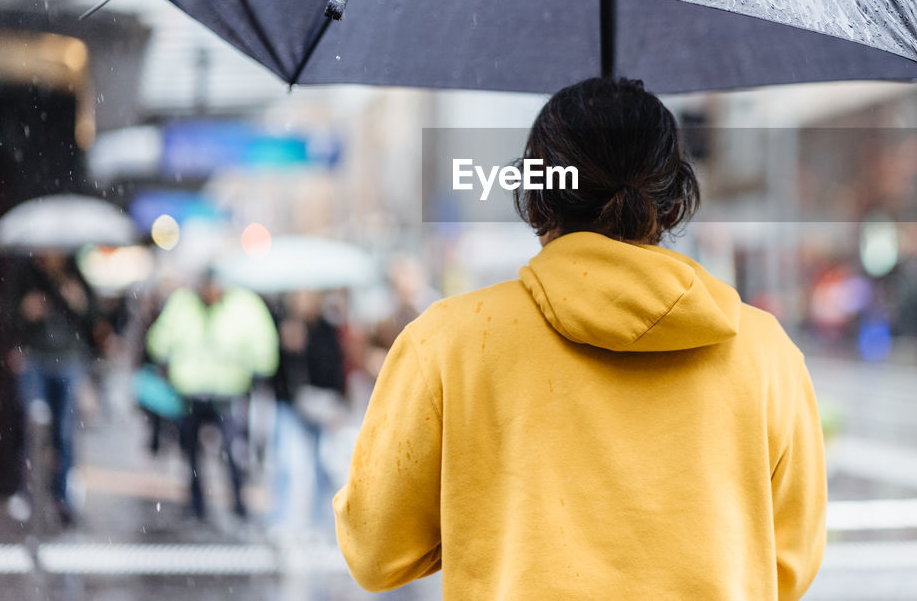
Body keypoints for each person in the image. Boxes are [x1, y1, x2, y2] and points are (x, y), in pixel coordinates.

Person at [334, 78, 827, 598]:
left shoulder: (446, 342)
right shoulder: (766, 352)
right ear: (674, 198)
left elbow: (375, 552)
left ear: (539, 196)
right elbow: (789, 565)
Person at [146, 271, 278, 522]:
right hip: (190, 393)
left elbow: (263, 346)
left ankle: (237, 505)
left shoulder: (243, 306)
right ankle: (198, 506)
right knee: (192, 453)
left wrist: (258, 371)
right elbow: (159, 341)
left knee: (231, 451)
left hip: (227, 392)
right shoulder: (182, 305)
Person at [7, 251, 98, 527]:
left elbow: (95, 319)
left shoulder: (76, 276)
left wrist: (79, 301)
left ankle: (62, 494)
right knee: (34, 425)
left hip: (69, 359)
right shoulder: (27, 276)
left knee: (65, 430)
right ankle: (30, 492)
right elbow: (8, 314)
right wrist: (25, 312)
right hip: (36, 358)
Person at [268, 289, 346, 537]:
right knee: (288, 464)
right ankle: (283, 520)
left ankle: (320, 522)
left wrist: (336, 402)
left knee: (322, 466)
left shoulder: (326, 330)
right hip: (291, 404)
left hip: (321, 406)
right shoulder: (283, 327)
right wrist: (288, 349)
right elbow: (275, 373)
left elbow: (333, 367)